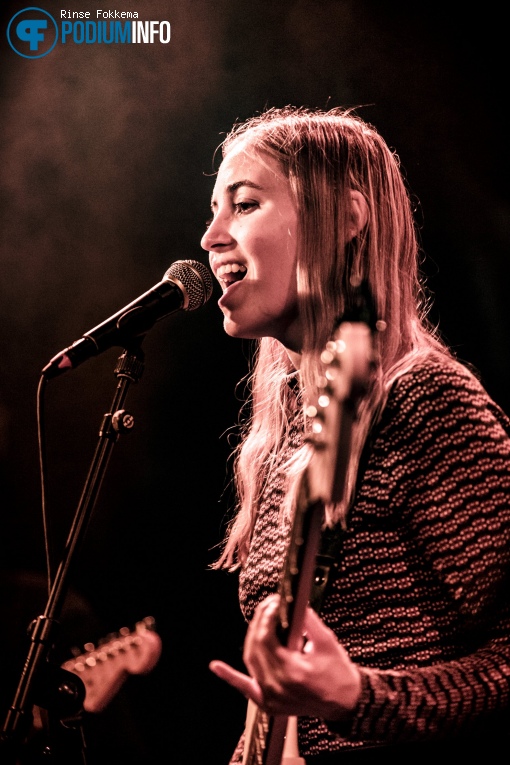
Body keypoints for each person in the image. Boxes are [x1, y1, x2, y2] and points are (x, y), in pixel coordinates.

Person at [200, 105, 510, 764]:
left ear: (345, 219)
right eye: (213, 210)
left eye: (244, 205)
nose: (210, 237)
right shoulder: (285, 431)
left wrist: (360, 697)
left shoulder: (427, 404)